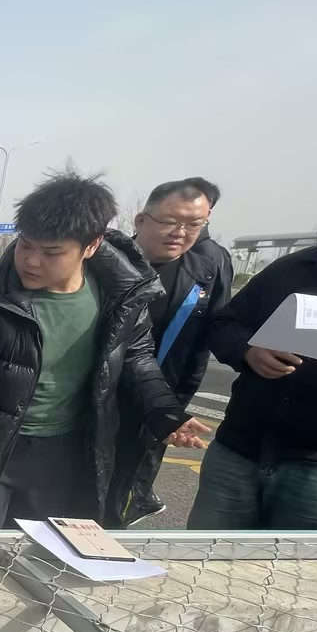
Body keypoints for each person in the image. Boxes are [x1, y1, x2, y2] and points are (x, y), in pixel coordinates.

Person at [0, 172, 208, 528]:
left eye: (51, 252)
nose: (31, 261)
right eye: (26, 245)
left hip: (65, 451)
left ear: (91, 246)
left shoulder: (121, 297)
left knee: (42, 548)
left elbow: (137, 360)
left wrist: (165, 412)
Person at [188, 185, 317, 530]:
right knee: (209, 556)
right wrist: (248, 350)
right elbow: (226, 322)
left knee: (302, 564)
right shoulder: (294, 268)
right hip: (240, 450)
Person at [109, 177, 234, 525]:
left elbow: (215, 331)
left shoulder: (205, 270)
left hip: (151, 405)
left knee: (117, 496)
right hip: (90, 403)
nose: (180, 232)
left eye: (194, 224)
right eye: (169, 221)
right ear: (141, 220)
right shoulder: (103, 261)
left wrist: (173, 405)